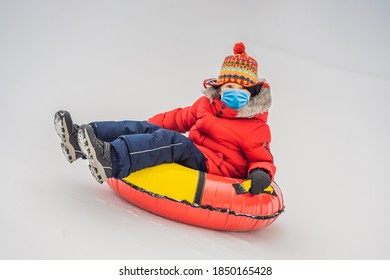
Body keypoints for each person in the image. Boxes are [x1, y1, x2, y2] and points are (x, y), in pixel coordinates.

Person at [54, 42, 276, 194]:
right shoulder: (206, 105)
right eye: (229, 86)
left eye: (241, 89)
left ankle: (111, 158)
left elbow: (262, 158)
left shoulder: (255, 127)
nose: (234, 92)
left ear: (252, 94)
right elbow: (179, 118)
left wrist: (261, 174)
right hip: (197, 151)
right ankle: (81, 139)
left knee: (174, 142)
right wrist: (148, 127)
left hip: (216, 166)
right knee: (148, 129)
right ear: (219, 89)